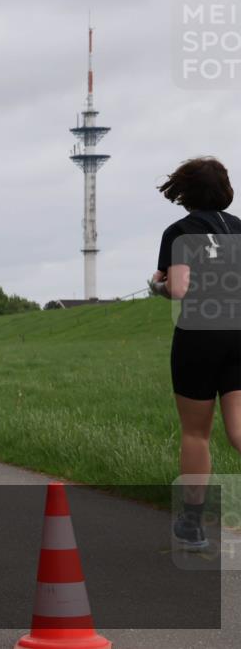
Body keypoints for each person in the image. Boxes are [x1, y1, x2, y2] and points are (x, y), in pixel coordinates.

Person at [150, 157, 241, 551]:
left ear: (185, 192)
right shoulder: (239, 228)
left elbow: (180, 288)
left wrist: (157, 285)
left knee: (196, 433)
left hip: (200, 337)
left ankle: (192, 526)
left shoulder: (179, 231)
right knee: (239, 430)